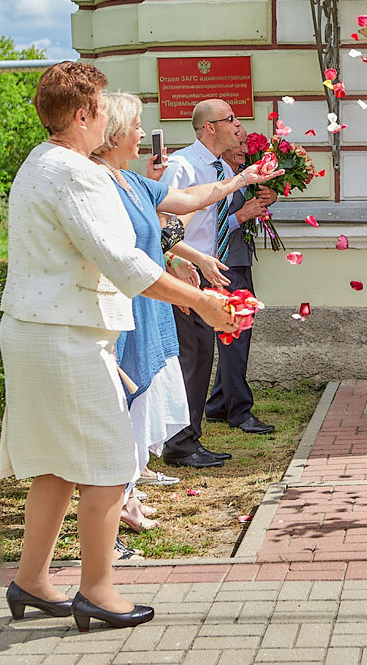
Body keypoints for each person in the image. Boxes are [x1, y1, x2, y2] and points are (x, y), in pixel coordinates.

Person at [0, 62, 236, 631]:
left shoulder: (41, 162)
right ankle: (98, 590)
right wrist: (199, 301)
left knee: (55, 466)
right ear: (82, 116)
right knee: (109, 462)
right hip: (66, 336)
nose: (109, 118)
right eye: (103, 108)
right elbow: (122, 261)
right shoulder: (75, 174)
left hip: (39, 328)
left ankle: (32, 581)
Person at [90, 93, 279, 532]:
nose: (143, 134)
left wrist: (240, 182)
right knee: (169, 369)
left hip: (176, 278)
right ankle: (159, 460)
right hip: (152, 287)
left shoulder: (144, 179)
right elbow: (159, 228)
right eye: (136, 127)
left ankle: (136, 480)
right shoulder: (119, 179)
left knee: (176, 368)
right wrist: (185, 261)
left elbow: (193, 203)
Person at [157, 99, 270, 469]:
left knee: (204, 356)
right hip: (185, 274)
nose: (238, 126)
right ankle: (179, 443)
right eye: (231, 120)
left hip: (211, 270)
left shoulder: (222, 167)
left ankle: (190, 437)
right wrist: (186, 263)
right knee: (192, 358)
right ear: (210, 127)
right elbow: (164, 222)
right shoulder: (182, 165)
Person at [207, 137, 280, 428]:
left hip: (239, 260)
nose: (244, 148)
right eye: (238, 142)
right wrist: (241, 216)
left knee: (238, 333)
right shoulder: (217, 178)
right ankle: (240, 412)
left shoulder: (242, 174)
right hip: (223, 264)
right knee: (235, 337)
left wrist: (267, 197)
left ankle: (217, 403)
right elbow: (204, 226)